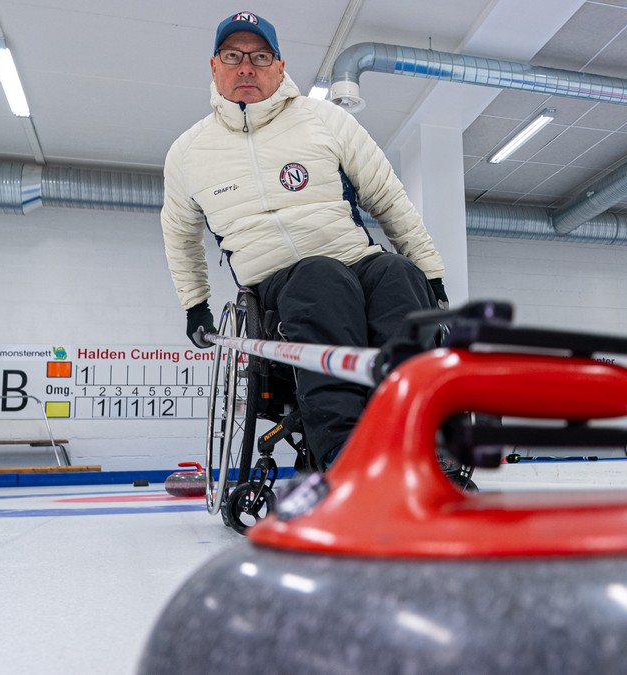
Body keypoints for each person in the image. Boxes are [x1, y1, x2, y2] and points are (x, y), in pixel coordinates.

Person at [161, 11, 446, 470]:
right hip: (281, 281)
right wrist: (196, 305)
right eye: (233, 56)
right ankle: (344, 454)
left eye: (260, 56)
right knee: (321, 278)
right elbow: (179, 234)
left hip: (356, 258)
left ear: (280, 66)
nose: (247, 67)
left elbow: (387, 196)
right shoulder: (188, 153)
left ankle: (418, 437)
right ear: (215, 67)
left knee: (398, 273)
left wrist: (431, 274)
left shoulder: (323, 119)